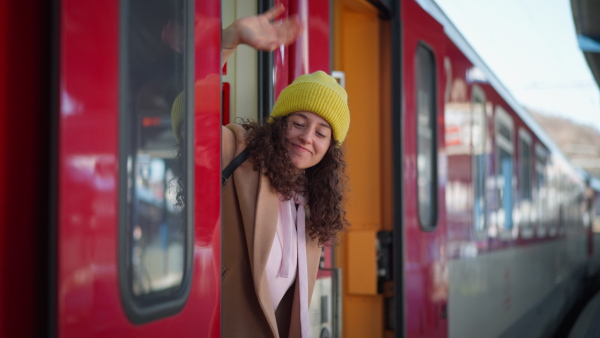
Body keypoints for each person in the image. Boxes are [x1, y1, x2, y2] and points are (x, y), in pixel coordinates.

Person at [220, 5, 350, 338]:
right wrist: (228, 40)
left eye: (322, 133)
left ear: (329, 150)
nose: (308, 137)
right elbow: (189, 120)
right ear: (280, 124)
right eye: (298, 123)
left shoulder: (311, 206)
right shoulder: (238, 150)